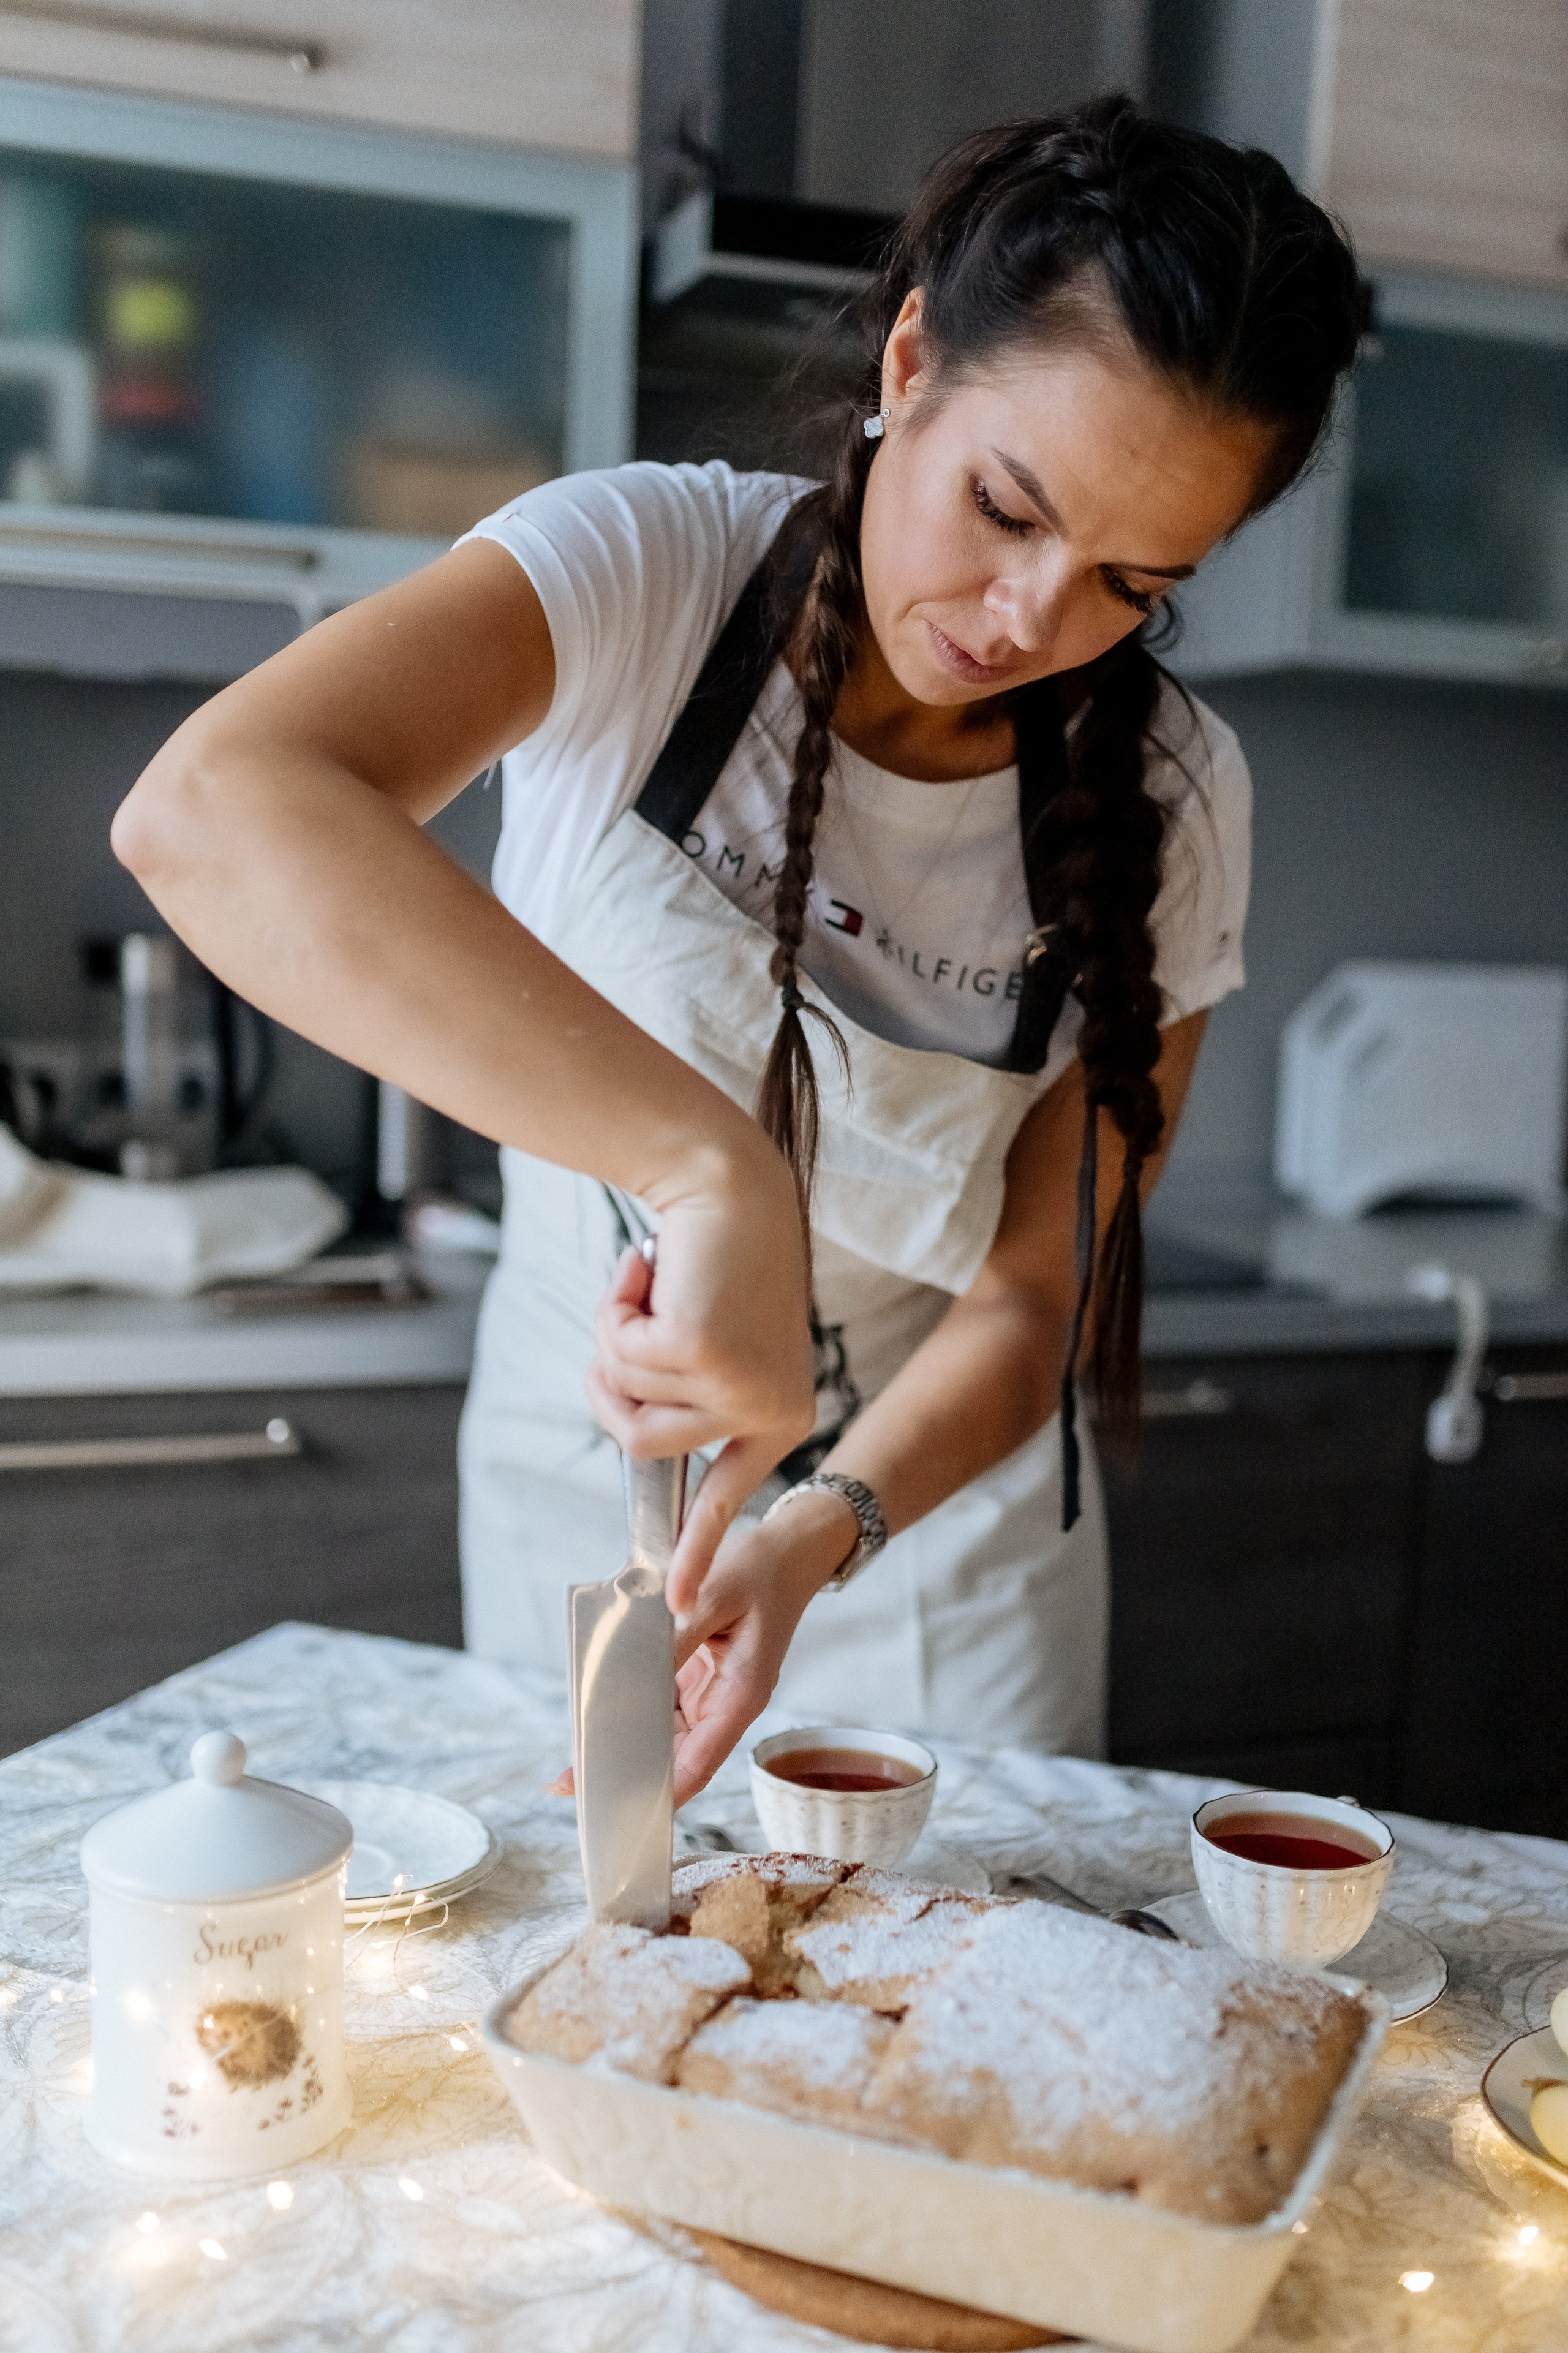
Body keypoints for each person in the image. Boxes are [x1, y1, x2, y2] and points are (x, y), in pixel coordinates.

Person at [114, 97, 1362, 1805]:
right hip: (586, 1487)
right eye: (1006, 508)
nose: (1029, 622)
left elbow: (1031, 1294)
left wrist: (810, 1535)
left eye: (1130, 583)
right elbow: (210, 808)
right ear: (911, 357)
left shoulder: (1177, 798)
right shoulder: (644, 571)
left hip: (923, 1542)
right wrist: (717, 1176)